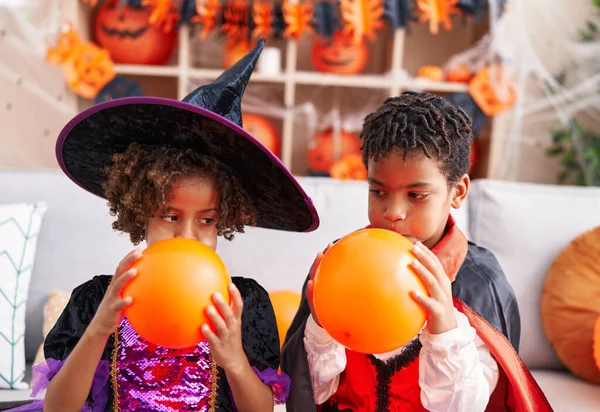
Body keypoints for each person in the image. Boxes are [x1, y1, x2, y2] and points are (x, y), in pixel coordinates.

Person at [14, 39, 319, 412]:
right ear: (140, 211)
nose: (187, 235)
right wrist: (98, 329)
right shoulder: (97, 300)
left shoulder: (243, 306)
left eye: (206, 220)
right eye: (170, 216)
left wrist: (234, 359)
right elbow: (57, 408)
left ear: (224, 220)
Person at [281, 92, 551, 411]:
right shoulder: (339, 267)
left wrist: (445, 331)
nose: (394, 211)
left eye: (417, 195)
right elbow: (305, 390)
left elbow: (474, 404)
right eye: (378, 191)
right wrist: (321, 328)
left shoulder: (480, 283)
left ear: (457, 191)